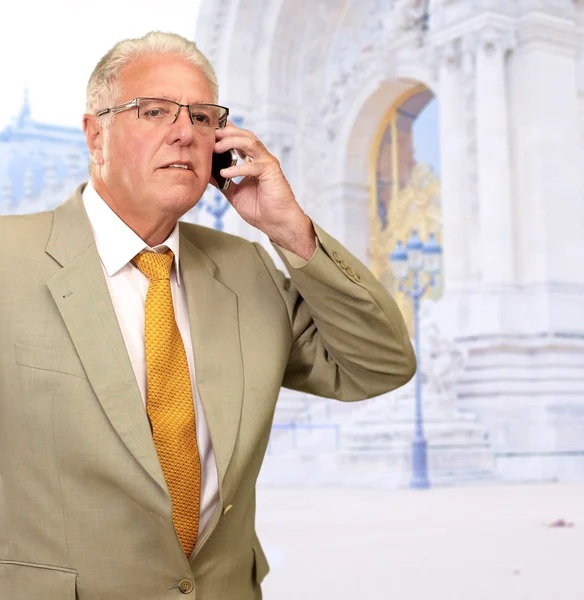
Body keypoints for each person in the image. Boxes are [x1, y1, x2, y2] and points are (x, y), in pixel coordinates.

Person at [0, 31, 416, 600]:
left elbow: (380, 364)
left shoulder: (247, 269)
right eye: (155, 111)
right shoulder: (8, 261)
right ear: (95, 133)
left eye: (202, 117)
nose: (184, 133)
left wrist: (288, 228)